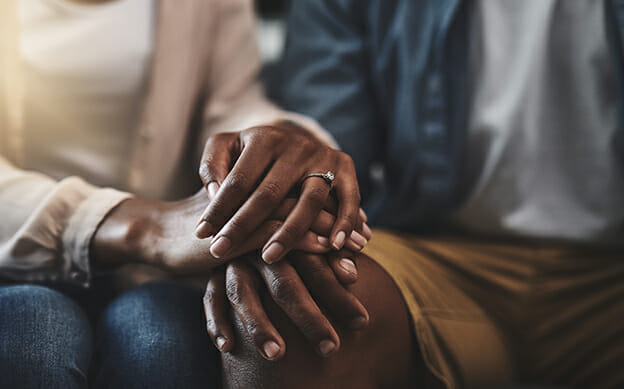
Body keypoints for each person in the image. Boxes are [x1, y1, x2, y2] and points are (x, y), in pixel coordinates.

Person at [205, 0, 624, 388]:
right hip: (436, 255)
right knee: (289, 294)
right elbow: (326, 145)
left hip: (610, 276)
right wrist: (278, 210)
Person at [0, 0, 370, 387]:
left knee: (161, 341)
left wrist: (282, 162)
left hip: (164, 271)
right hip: (17, 261)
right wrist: (145, 225)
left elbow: (232, 105)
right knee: (33, 328)